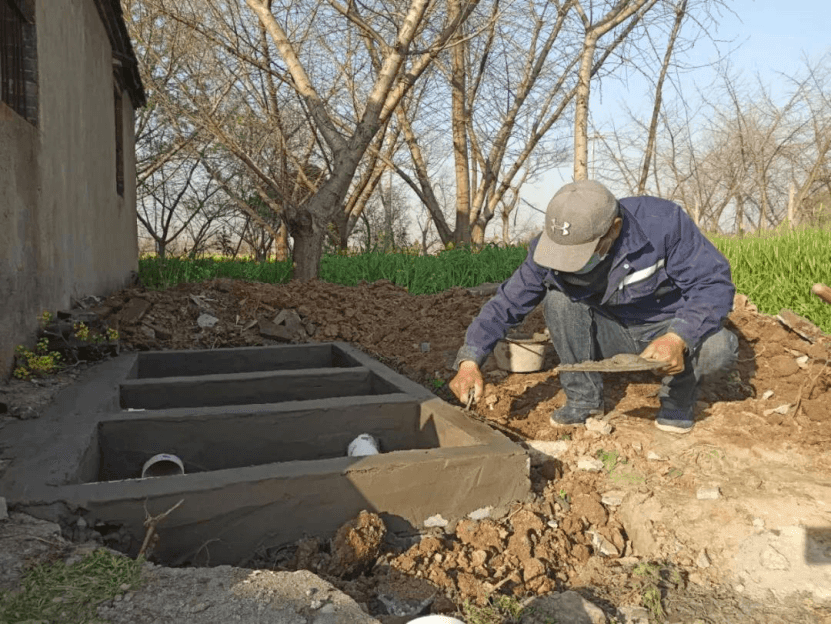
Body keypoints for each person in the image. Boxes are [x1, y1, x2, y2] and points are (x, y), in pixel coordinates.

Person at [448, 180, 738, 434]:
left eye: (577, 253)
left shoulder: (663, 224)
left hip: (665, 327)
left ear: (614, 229)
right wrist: (470, 361)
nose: (566, 261)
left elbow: (713, 285)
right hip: (608, 333)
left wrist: (678, 337)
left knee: (718, 348)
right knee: (559, 299)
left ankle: (678, 397)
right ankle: (584, 400)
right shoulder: (547, 249)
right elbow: (507, 303)